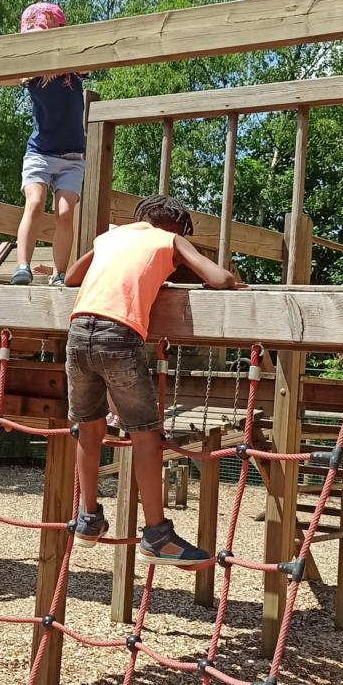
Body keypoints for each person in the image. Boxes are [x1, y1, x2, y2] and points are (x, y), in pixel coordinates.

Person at [62, 195, 243, 567]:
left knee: (89, 428)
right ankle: (157, 535)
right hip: (118, 335)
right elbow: (221, 279)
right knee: (145, 435)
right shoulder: (168, 239)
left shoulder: (110, 237)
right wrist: (179, 258)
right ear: (175, 226)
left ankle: (88, 518)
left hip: (78, 333)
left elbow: (70, 278)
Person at [0, 2, 87, 286]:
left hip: (71, 156)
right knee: (34, 202)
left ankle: (59, 274)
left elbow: (92, 56)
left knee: (65, 213)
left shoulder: (74, 68)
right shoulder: (28, 72)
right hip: (40, 152)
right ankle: (23, 266)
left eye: (43, 37)